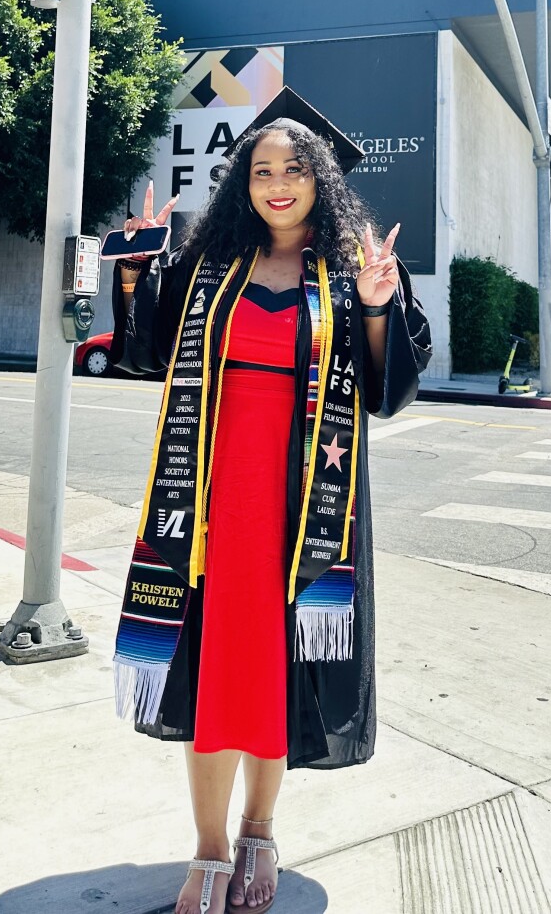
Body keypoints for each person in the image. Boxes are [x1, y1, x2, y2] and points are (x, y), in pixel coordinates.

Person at [107, 90, 432, 914]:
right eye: (261, 171)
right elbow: (146, 351)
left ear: (321, 179)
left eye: (294, 169)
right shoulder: (209, 265)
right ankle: (209, 846)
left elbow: (388, 389)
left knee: (277, 667)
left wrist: (375, 305)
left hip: (305, 506)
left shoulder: (351, 268)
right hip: (210, 500)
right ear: (241, 185)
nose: (277, 185)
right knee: (213, 667)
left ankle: (259, 829)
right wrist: (137, 267)